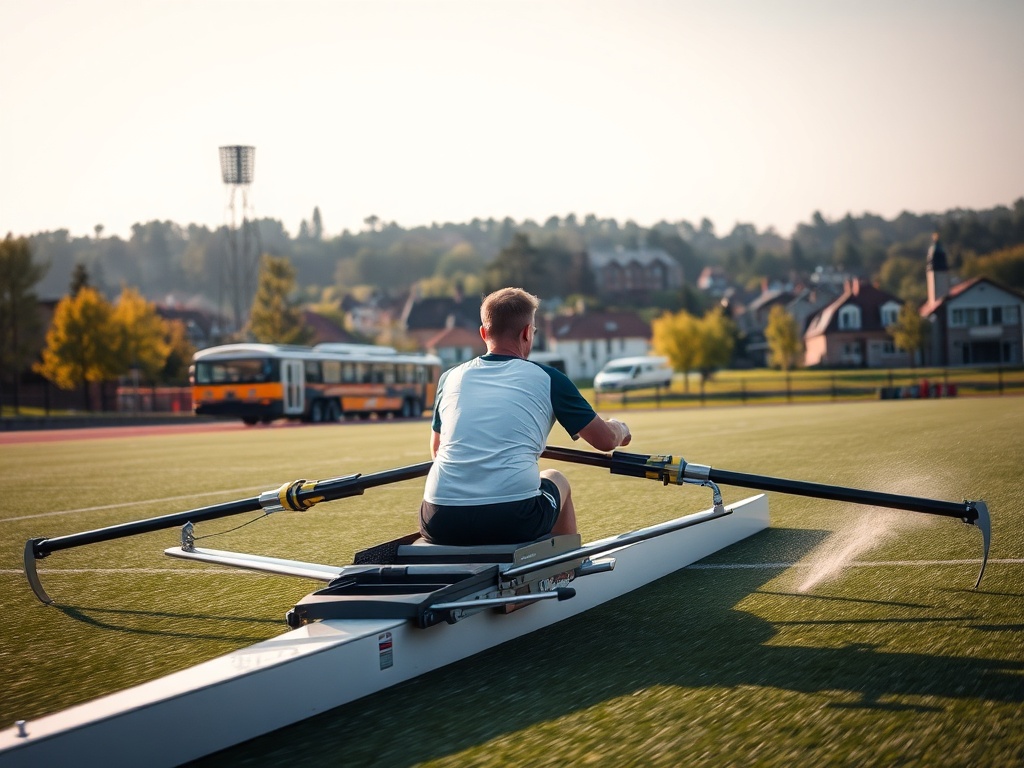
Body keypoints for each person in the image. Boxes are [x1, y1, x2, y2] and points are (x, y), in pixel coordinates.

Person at [419, 287, 632, 546]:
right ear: (526, 333)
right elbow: (605, 441)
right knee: (556, 478)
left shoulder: (449, 378)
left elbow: (437, 450)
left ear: (483, 333)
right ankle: (564, 569)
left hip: (439, 517)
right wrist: (619, 428)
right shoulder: (550, 379)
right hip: (512, 517)